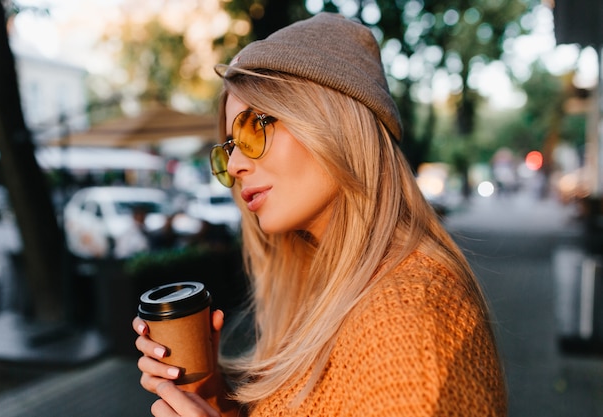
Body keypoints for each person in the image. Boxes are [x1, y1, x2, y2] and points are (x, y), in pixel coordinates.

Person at [132, 12, 507, 417]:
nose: (236, 164)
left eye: (252, 128)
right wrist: (213, 400)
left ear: (333, 123)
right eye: (228, 147)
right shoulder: (334, 292)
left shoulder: (407, 323)